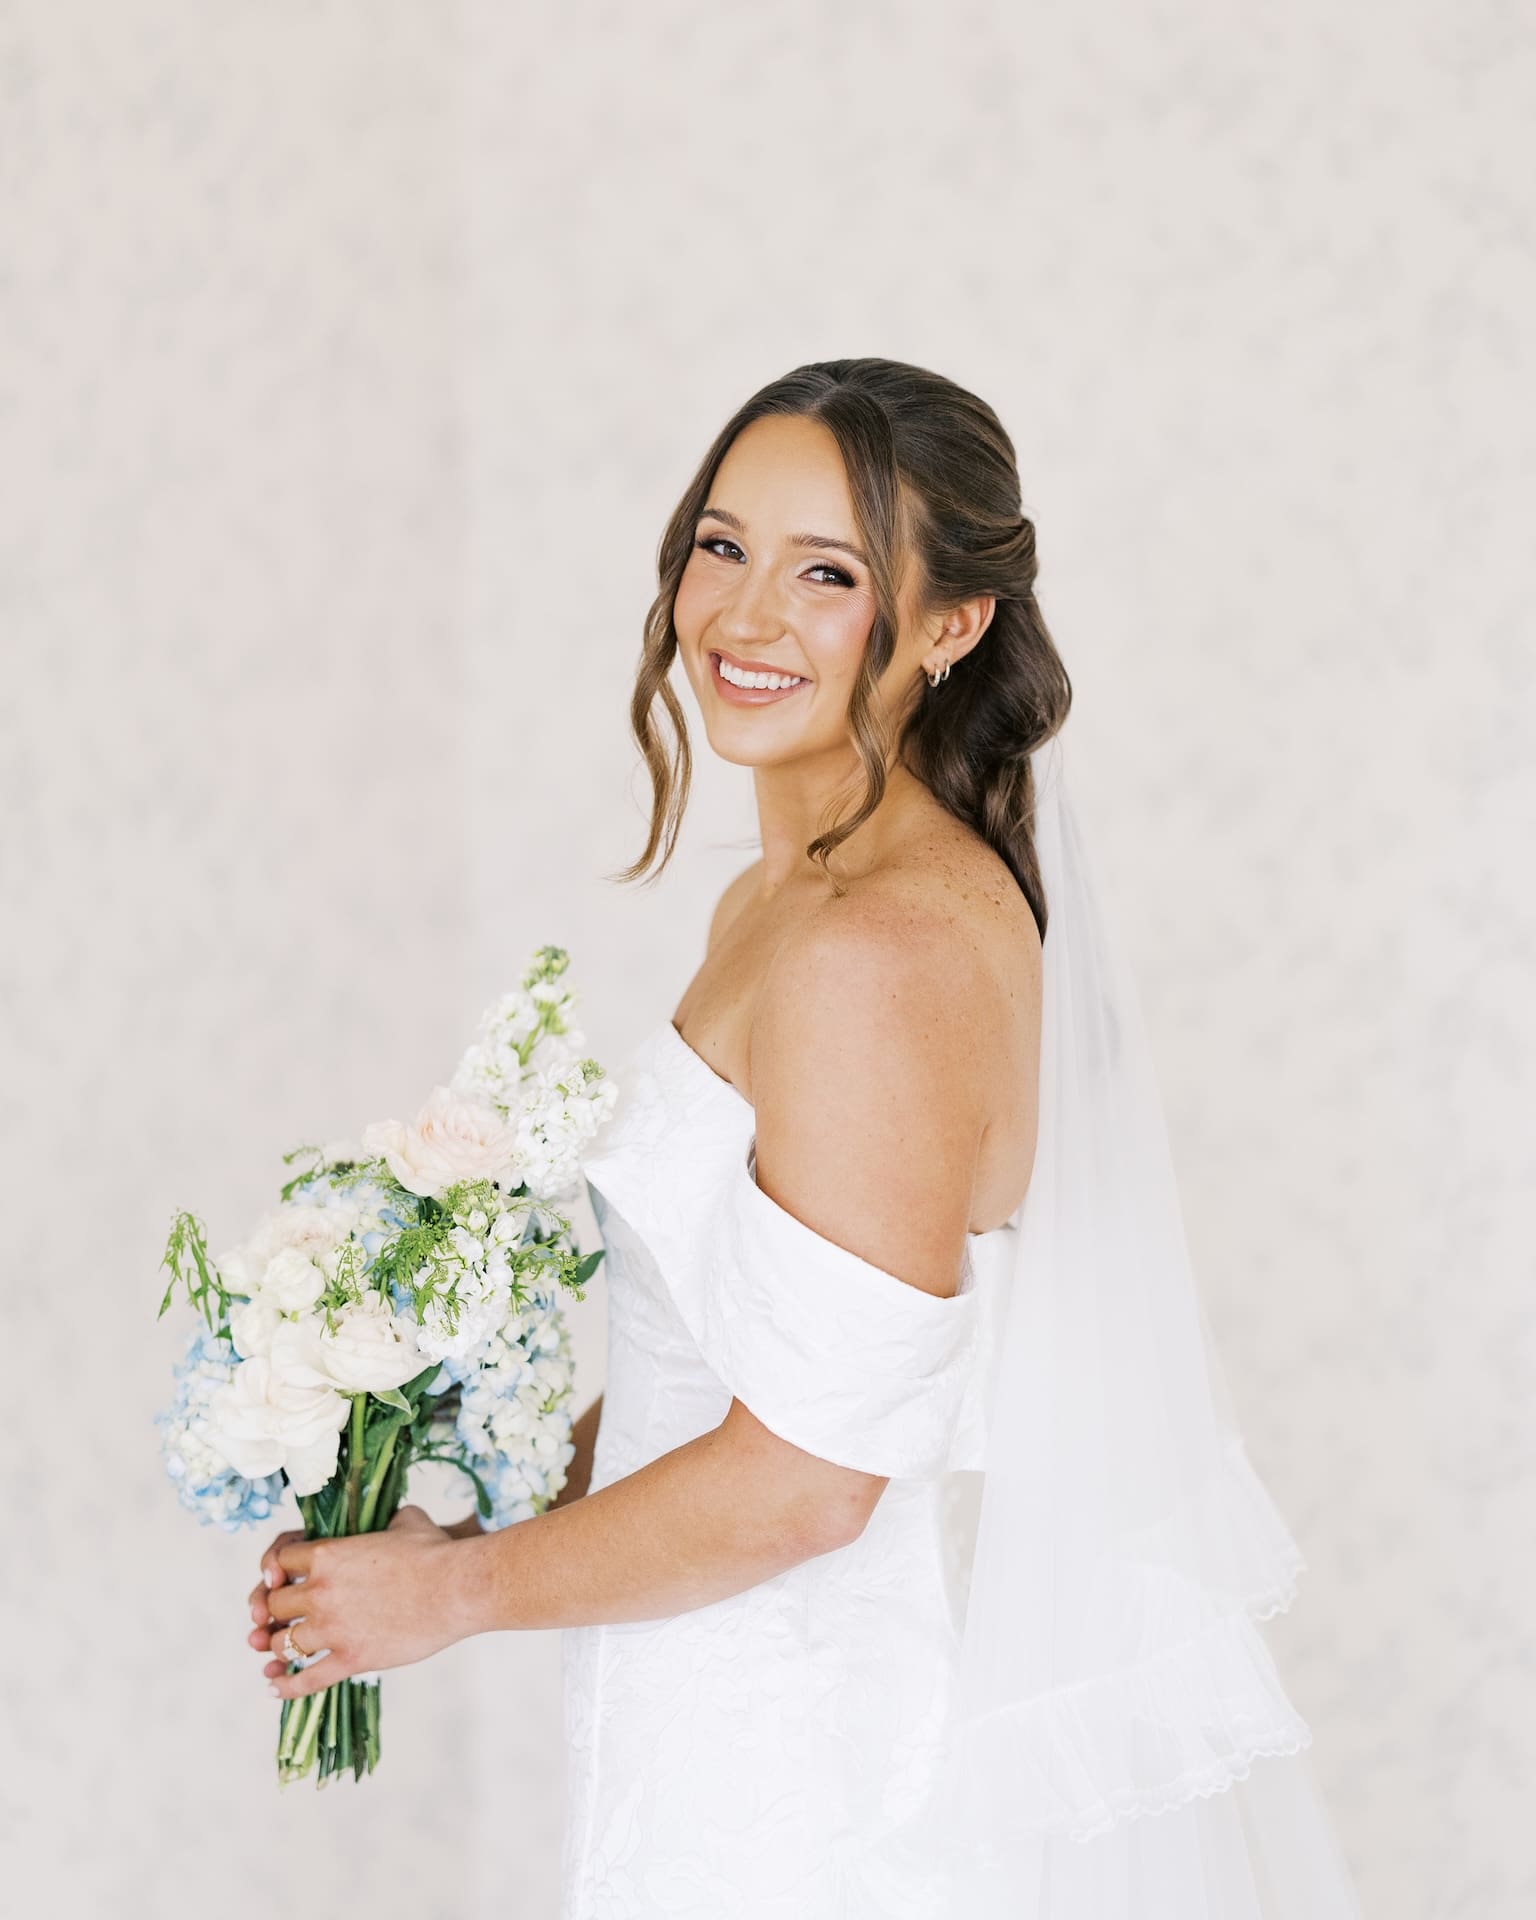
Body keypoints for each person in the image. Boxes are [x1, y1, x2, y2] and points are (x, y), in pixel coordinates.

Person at [247, 359, 1363, 1918]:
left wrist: (456, 1596)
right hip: (701, 1702)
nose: (745, 617)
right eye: (722, 547)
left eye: (826, 574)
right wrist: (467, 1517)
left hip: (811, 1767)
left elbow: (811, 1478)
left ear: (953, 623)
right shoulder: (778, 903)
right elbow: (742, 1364)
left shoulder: (873, 953)